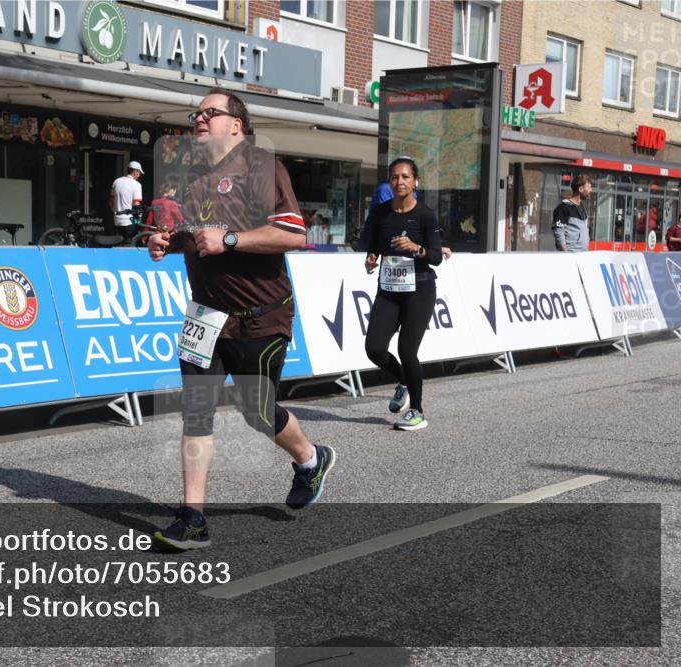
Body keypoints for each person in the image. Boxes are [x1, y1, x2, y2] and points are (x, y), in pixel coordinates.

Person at [146, 89, 335, 550]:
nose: (200, 119)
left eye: (211, 112)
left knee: (256, 411)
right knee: (196, 413)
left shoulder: (262, 166)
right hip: (204, 318)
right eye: (197, 113)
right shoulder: (188, 177)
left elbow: (293, 234)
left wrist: (230, 239)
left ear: (238, 124)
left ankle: (311, 459)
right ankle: (193, 518)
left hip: (259, 317)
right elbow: (191, 237)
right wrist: (164, 243)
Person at [361, 157, 443, 431]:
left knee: (407, 350)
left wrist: (415, 247)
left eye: (406, 177)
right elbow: (373, 245)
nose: (400, 182)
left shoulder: (425, 215)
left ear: (415, 181)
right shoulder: (380, 213)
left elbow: (435, 256)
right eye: (395, 177)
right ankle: (404, 381)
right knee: (374, 348)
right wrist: (371, 259)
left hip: (420, 289)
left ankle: (417, 411)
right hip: (389, 288)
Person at [552, 174, 592, 252]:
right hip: (571, 255)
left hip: (583, 253)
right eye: (589, 187)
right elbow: (558, 231)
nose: (591, 190)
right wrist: (566, 253)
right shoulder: (563, 207)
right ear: (580, 189)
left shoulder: (582, 206)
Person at [109, 161, 144, 240]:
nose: (140, 175)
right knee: (130, 246)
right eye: (139, 172)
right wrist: (138, 220)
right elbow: (136, 204)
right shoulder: (136, 185)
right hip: (129, 222)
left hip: (117, 221)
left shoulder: (116, 182)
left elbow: (111, 201)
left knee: (117, 244)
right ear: (135, 171)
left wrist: (116, 213)